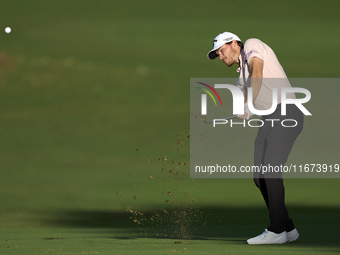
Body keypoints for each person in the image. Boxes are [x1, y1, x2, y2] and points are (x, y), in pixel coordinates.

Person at [207, 32, 303, 244]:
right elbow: (244, 97)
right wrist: (243, 108)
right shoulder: (240, 76)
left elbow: (258, 73)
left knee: (270, 171)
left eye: (221, 51)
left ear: (234, 43)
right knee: (260, 177)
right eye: (218, 55)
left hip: (287, 113)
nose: (221, 57)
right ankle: (288, 228)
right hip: (268, 120)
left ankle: (276, 230)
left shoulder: (252, 45)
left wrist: (249, 104)